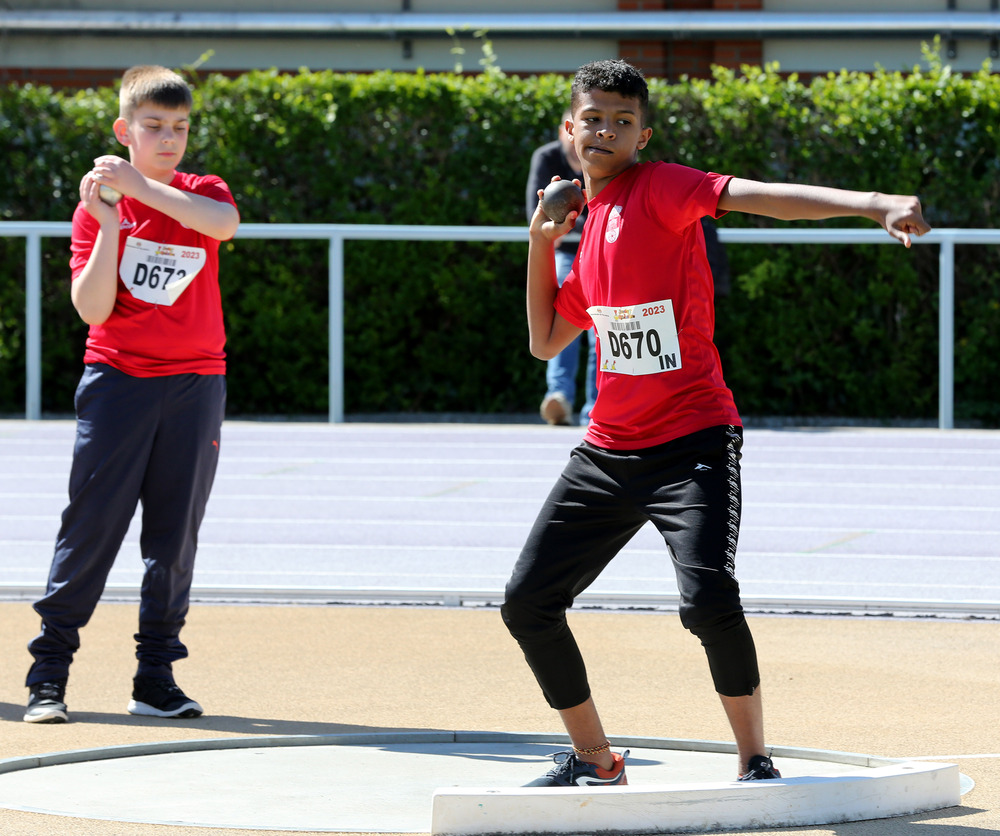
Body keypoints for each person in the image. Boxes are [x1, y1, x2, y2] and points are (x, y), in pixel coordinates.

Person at [502, 59, 929, 787]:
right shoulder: (592, 221)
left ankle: (755, 759)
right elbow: (546, 340)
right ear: (570, 130)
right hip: (607, 452)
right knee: (526, 604)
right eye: (593, 118)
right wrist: (543, 239)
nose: (606, 129)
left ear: (643, 134)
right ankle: (595, 760)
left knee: (707, 602)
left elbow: (760, 197)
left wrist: (873, 202)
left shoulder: (663, 188)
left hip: (692, 441)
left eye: (623, 120)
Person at [23, 65, 240, 724]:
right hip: (119, 382)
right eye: (153, 128)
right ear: (125, 131)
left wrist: (142, 185)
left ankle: (154, 680)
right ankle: (48, 675)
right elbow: (91, 308)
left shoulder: (201, 190)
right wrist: (112, 218)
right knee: (90, 530)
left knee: (174, 540)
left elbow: (223, 224)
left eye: (179, 127)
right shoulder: (97, 209)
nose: (168, 138)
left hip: (196, 383)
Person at [526, 110, 597, 426]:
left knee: (600, 330)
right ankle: (560, 396)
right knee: (558, 323)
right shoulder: (546, 157)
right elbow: (536, 212)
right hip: (565, 250)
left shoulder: (600, 159)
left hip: (600, 251)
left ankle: (596, 407)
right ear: (563, 130)